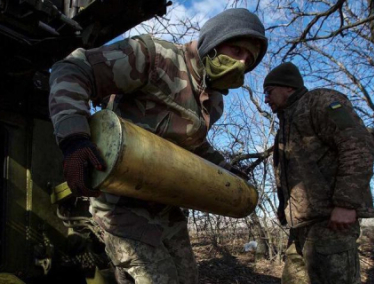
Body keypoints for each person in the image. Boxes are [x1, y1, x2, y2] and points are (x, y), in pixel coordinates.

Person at [49, 8, 267, 284]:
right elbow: (73, 69)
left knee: (188, 278)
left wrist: (226, 169)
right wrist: (74, 138)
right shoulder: (155, 56)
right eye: (237, 50)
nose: (242, 62)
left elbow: (193, 145)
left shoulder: (214, 102)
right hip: (121, 204)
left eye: (249, 59)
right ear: (213, 41)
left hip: (167, 207)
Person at [263, 62, 374, 284]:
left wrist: (346, 203)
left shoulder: (320, 102)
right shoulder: (287, 123)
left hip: (331, 224)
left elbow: (358, 143)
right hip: (301, 230)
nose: (266, 99)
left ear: (288, 87)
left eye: (269, 91)